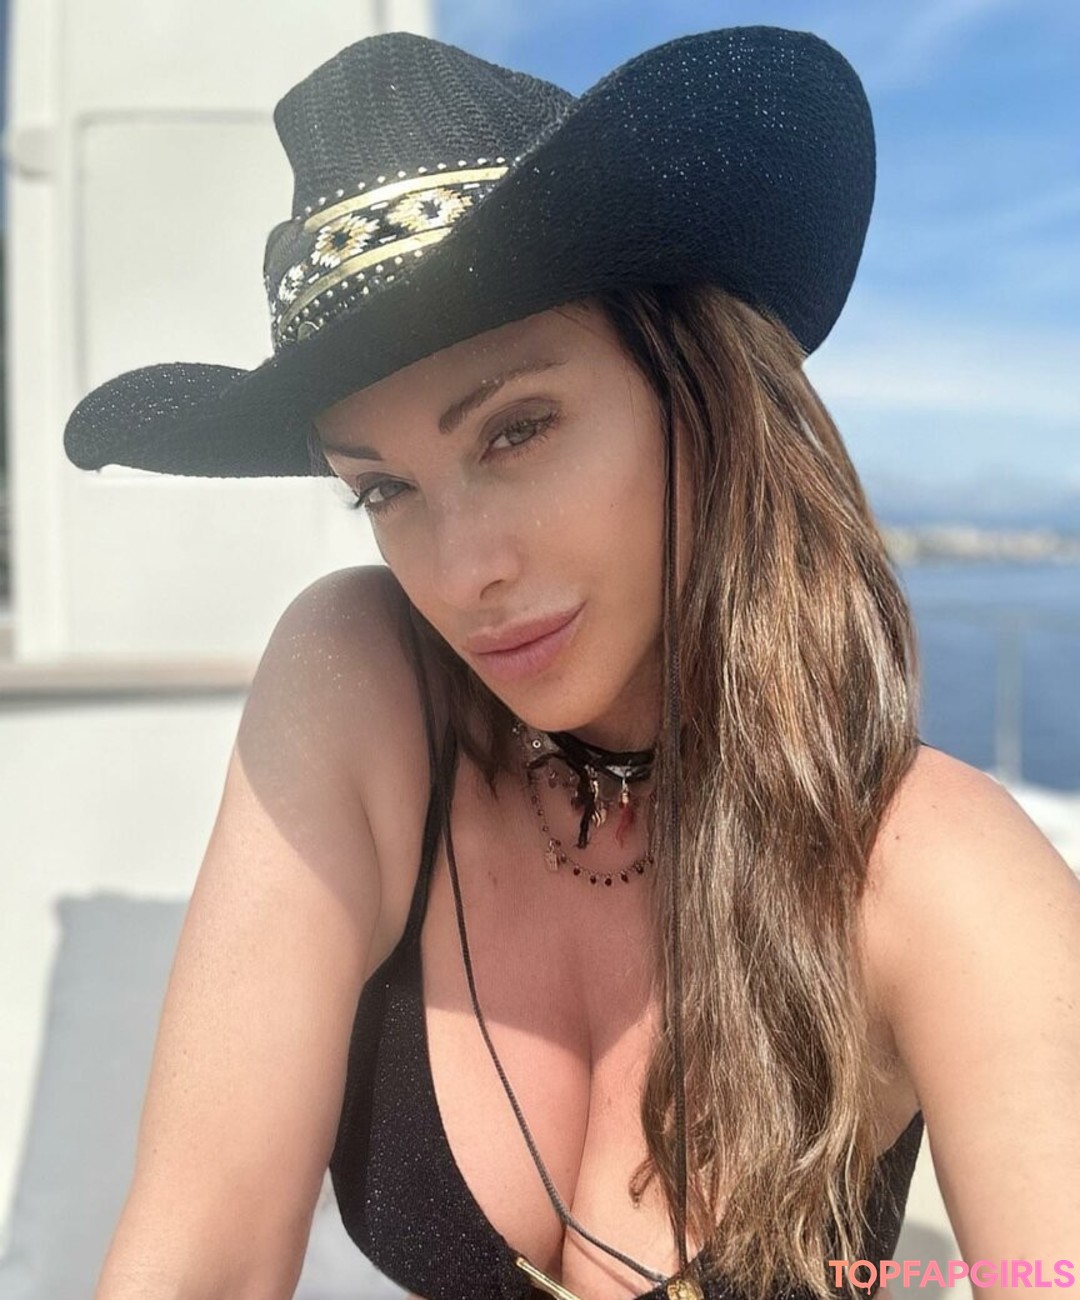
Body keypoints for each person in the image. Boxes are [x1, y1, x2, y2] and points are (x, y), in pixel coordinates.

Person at [63, 25, 1080, 1300]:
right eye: (382, 489)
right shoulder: (363, 685)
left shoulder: (935, 873)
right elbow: (198, 1254)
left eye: (517, 428)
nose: (460, 571)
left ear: (695, 393)